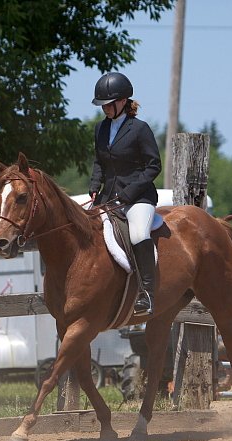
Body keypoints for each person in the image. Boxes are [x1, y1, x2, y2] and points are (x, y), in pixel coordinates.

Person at [89, 72, 162, 316]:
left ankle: (148, 294)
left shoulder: (140, 129)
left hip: (139, 196)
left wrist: (130, 192)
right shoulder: (100, 129)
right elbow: (99, 162)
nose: (105, 110)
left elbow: (154, 166)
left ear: (122, 102)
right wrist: (94, 184)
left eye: (108, 104)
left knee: (139, 233)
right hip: (108, 196)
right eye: (103, 106)